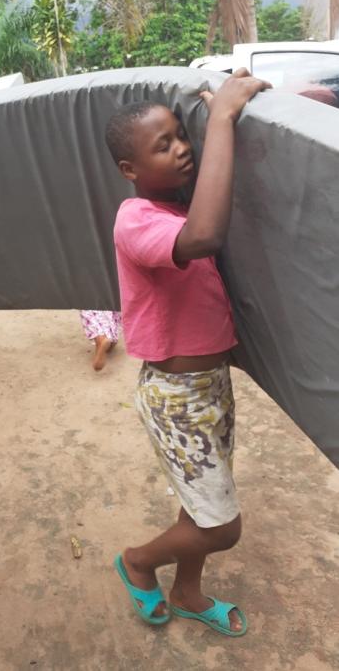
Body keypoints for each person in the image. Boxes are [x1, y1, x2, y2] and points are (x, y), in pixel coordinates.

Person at [109, 69, 270, 636]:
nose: (181, 149)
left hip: (209, 387)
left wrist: (224, 117)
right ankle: (137, 561)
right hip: (176, 398)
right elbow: (203, 237)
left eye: (183, 136)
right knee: (222, 527)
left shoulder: (180, 206)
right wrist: (220, 117)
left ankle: (187, 592)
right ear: (129, 169)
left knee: (200, 506)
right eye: (163, 145)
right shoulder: (137, 219)